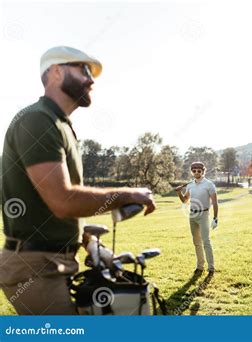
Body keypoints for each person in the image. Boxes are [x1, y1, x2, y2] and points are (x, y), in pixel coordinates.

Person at [0, 46, 156, 315]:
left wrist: (88, 241)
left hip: (53, 262)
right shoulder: (37, 120)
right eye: (83, 70)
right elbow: (62, 200)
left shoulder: (60, 124)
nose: (91, 79)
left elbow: (46, 207)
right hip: (35, 267)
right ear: (56, 72)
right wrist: (130, 194)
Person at [175, 162, 218, 275]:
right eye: (194, 171)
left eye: (199, 170)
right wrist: (179, 192)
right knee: (196, 242)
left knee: (206, 241)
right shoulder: (190, 185)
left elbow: (215, 202)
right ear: (191, 172)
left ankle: (211, 268)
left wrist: (215, 218)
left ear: (203, 171)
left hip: (204, 215)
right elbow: (185, 200)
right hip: (192, 215)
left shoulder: (209, 184)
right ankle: (200, 266)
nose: (196, 173)